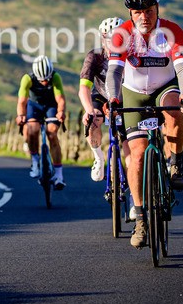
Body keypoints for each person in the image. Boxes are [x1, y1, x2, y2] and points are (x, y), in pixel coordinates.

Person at [105, 0, 183, 249]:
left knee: (172, 109)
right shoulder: (122, 34)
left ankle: (176, 163)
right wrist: (113, 97)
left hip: (165, 87)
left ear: (157, 8)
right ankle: (141, 218)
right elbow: (114, 73)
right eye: (138, 11)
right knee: (138, 152)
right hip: (133, 91)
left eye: (149, 10)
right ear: (131, 14)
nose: (144, 16)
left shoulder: (172, 31)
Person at [79, 17, 125, 182]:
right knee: (93, 119)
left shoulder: (131, 55)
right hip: (101, 95)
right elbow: (84, 88)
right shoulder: (95, 56)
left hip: (124, 98)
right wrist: (89, 110)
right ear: (102, 39)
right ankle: (98, 158)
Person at [15, 55, 67, 189]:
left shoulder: (55, 77)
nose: (44, 82)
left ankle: (59, 176)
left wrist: (60, 112)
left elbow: (60, 99)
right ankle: (35, 160)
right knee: (32, 130)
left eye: (46, 79)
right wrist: (21, 115)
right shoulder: (27, 79)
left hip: (51, 105)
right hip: (34, 105)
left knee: (52, 134)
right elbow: (22, 101)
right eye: (41, 80)